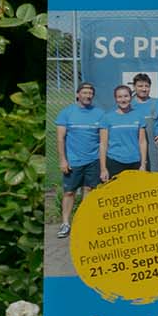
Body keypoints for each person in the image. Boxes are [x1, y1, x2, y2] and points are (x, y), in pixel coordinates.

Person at [53, 81, 105, 234]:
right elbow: (60, 138)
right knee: (69, 192)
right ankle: (65, 224)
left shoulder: (99, 113)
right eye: (85, 93)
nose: (88, 96)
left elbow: (102, 141)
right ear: (77, 94)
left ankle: (84, 222)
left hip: (93, 161)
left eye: (90, 93)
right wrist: (63, 160)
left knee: (89, 190)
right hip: (73, 161)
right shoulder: (66, 112)